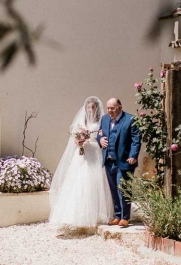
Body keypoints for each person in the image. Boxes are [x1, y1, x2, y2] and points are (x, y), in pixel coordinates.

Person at [48, 96, 114, 228]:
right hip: (82, 153)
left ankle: (96, 214)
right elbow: (75, 136)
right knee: (79, 180)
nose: (90, 110)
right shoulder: (82, 121)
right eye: (88, 107)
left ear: (97, 108)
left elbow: (104, 134)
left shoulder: (102, 120)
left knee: (94, 180)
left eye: (93, 107)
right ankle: (74, 215)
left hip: (94, 151)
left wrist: (96, 139)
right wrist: (79, 141)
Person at [97, 97, 141, 228]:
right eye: (108, 108)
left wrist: (133, 155)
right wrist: (100, 140)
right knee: (113, 189)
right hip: (109, 160)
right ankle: (117, 215)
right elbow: (99, 134)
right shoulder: (104, 119)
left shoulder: (131, 119)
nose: (110, 111)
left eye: (112, 108)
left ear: (120, 107)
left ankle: (125, 217)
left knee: (123, 189)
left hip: (124, 160)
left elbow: (136, 140)